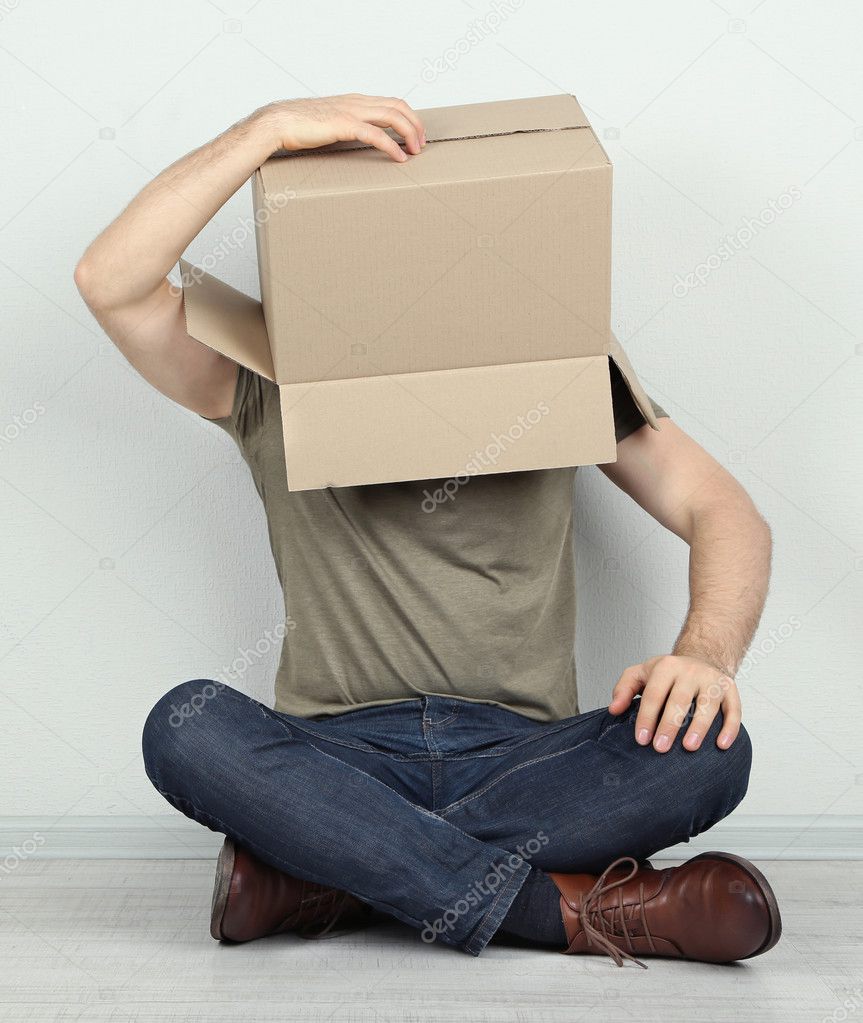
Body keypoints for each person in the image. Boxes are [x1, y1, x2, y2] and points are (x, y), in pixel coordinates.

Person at [74, 94, 781, 967]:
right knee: (184, 722)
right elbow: (111, 279)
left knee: (711, 750)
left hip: (524, 755)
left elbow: (724, 510)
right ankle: (556, 913)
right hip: (334, 754)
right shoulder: (262, 380)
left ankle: (330, 873)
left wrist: (704, 655)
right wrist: (262, 132)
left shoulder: (558, 369)